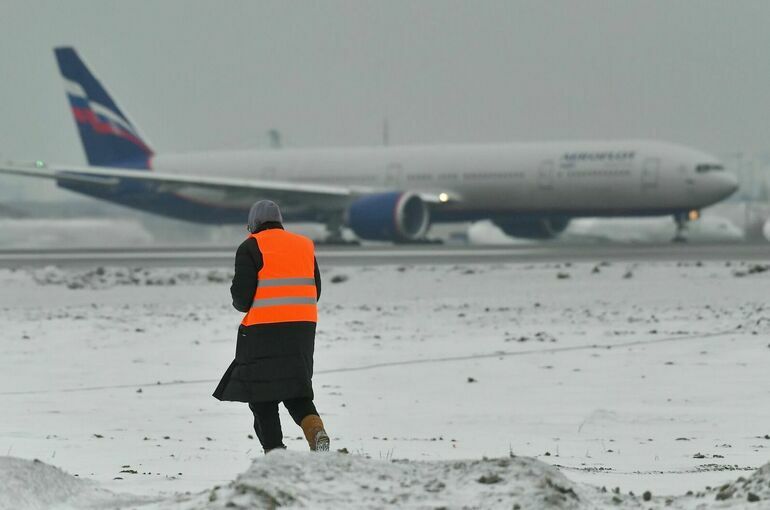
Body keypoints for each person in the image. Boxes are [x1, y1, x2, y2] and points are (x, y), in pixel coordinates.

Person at [213, 200, 329, 453]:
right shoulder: (304, 246)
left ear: (254, 223)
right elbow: (315, 291)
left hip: (262, 333)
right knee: (297, 390)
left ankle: (275, 452)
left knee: (262, 396)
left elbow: (242, 299)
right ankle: (316, 431)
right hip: (301, 331)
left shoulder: (250, 247)